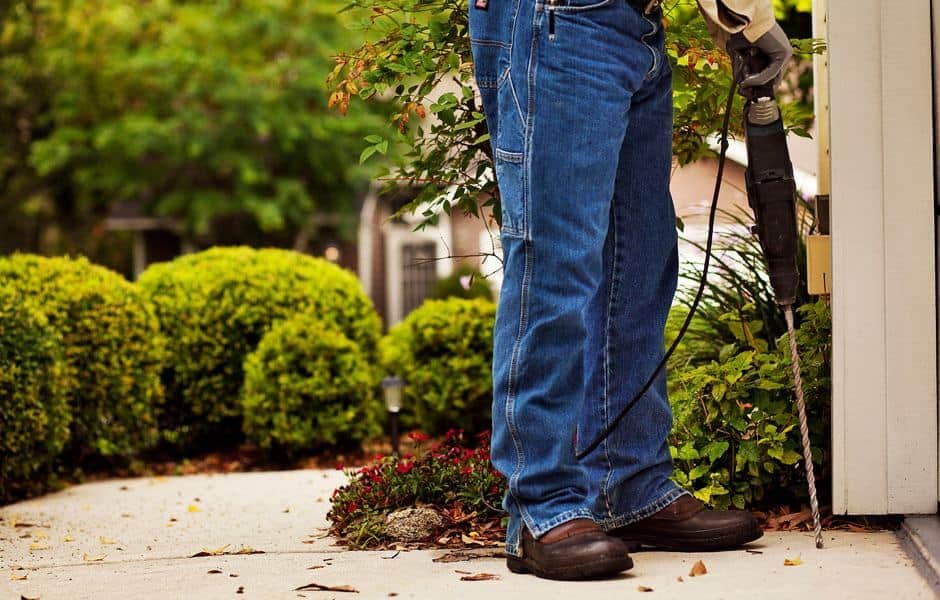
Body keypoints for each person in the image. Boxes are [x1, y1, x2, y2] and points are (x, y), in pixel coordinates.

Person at [468, 0, 793, 581]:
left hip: (635, 29)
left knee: (638, 265)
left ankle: (629, 485)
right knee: (556, 260)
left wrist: (747, 19)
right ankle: (540, 504)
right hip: (557, 21)